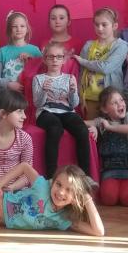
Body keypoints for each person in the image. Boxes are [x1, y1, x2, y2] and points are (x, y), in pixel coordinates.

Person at [32, 42, 95, 187]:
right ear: (45, 59)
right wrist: (43, 91)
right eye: (51, 57)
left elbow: (74, 104)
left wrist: (73, 91)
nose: (55, 60)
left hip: (66, 111)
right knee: (55, 129)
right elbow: (38, 104)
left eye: (58, 57)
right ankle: (51, 177)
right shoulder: (39, 78)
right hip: (46, 112)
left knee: (81, 129)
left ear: (64, 59)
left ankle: (85, 177)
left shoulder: (69, 78)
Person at [87, 87, 128, 206]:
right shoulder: (102, 121)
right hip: (109, 171)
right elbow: (80, 123)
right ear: (104, 109)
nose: (120, 104)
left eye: (121, 100)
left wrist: (110, 127)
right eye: (114, 103)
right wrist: (93, 128)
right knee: (109, 198)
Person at [74, 7, 128, 117]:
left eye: (104, 25)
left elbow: (106, 68)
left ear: (114, 26)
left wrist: (83, 61)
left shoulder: (121, 46)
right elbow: (81, 73)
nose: (100, 28)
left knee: (112, 126)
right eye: (96, 24)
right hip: (90, 97)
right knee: (92, 126)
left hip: (112, 99)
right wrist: (80, 95)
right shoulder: (88, 45)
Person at [0, 11, 41, 93]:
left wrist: (31, 59)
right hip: (8, 96)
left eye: (22, 26)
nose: (19, 29)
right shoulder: (2, 51)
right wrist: (8, 84)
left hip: (29, 95)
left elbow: (43, 72)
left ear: (27, 29)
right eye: (15, 26)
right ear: (9, 29)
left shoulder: (35, 50)